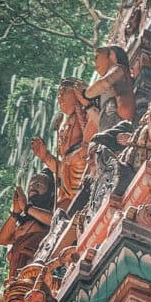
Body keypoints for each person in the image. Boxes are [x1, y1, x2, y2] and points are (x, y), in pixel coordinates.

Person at [31, 78, 99, 210]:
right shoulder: (64, 124)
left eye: (64, 91)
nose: (60, 96)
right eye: (58, 94)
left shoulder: (88, 114)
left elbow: (88, 147)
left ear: (77, 92)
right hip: (69, 186)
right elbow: (63, 170)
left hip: (85, 174)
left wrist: (74, 157)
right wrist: (46, 157)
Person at [0, 172, 54, 276]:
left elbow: (54, 221)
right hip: (17, 274)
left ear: (50, 192)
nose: (33, 186)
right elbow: (3, 240)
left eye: (38, 185)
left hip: (36, 268)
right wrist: (15, 213)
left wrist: (27, 208)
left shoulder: (52, 210)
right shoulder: (23, 220)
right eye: (31, 185)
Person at [83, 45, 136, 132]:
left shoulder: (118, 68)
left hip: (121, 123)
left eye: (97, 57)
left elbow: (105, 82)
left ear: (112, 56)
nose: (94, 64)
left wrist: (85, 93)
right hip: (111, 126)